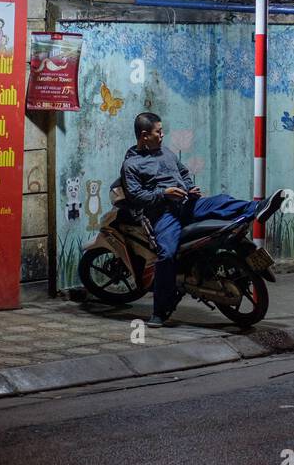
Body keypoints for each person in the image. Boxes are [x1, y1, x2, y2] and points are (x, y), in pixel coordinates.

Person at [120, 112, 285, 327]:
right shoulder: (131, 165)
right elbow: (135, 196)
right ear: (144, 135)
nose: (162, 135)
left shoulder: (166, 153)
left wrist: (189, 188)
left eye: (161, 131)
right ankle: (160, 311)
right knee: (166, 255)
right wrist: (164, 194)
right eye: (158, 132)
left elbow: (184, 172)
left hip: (187, 203)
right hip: (163, 214)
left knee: (220, 201)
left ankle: (258, 208)